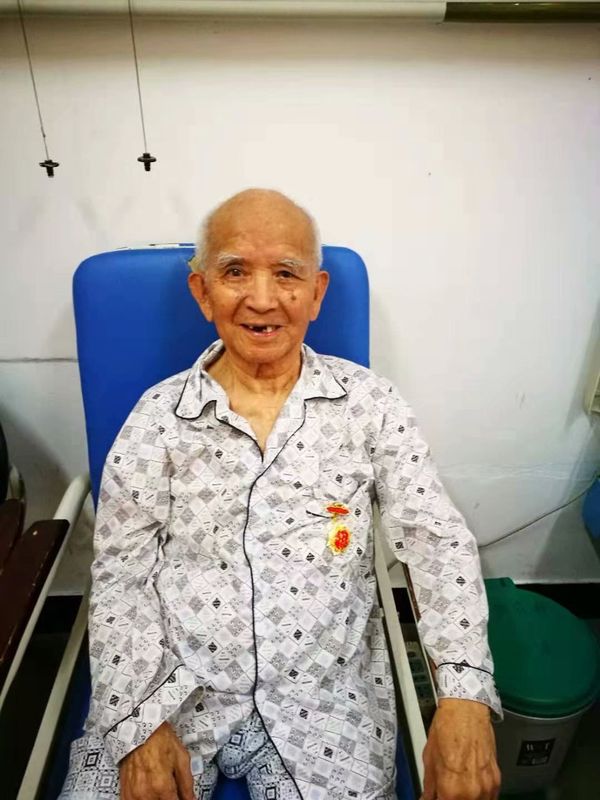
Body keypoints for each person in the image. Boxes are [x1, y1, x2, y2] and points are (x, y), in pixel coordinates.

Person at [60, 189, 502, 800]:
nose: (263, 299)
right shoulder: (158, 418)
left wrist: (463, 698)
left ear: (317, 294)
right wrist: (138, 722)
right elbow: (120, 572)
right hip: (172, 687)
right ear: (202, 292)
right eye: (235, 272)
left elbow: (437, 543)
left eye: (287, 274)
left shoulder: (370, 405)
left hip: (328, 696)